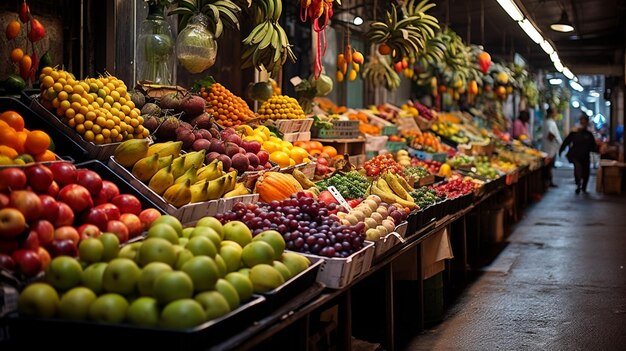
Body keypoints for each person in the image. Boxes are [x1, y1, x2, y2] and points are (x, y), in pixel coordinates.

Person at [559, 115, 599, 194]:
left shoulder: (589, 135)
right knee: (578, 169)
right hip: (575, 156)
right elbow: (566, 142)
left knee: (586, 172)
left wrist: (598, 151)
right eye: (582, 121)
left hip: (585, 157)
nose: (583, 123)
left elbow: (593, 146)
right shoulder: (574, 133)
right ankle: (578, 185)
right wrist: (561, 150)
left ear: (587, 123)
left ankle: (584, 187)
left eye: (584, 122)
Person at [541, 107, 562, 188]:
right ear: (551, 113)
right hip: (550, 148)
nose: (556, 114)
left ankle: (548, 181)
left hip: (549, 147)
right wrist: (557, 143)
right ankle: (548, 182)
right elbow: (551, 134)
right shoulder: (550, 123)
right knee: (548, 166)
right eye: (555, 112)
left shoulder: (547, 122)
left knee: (548, 166)